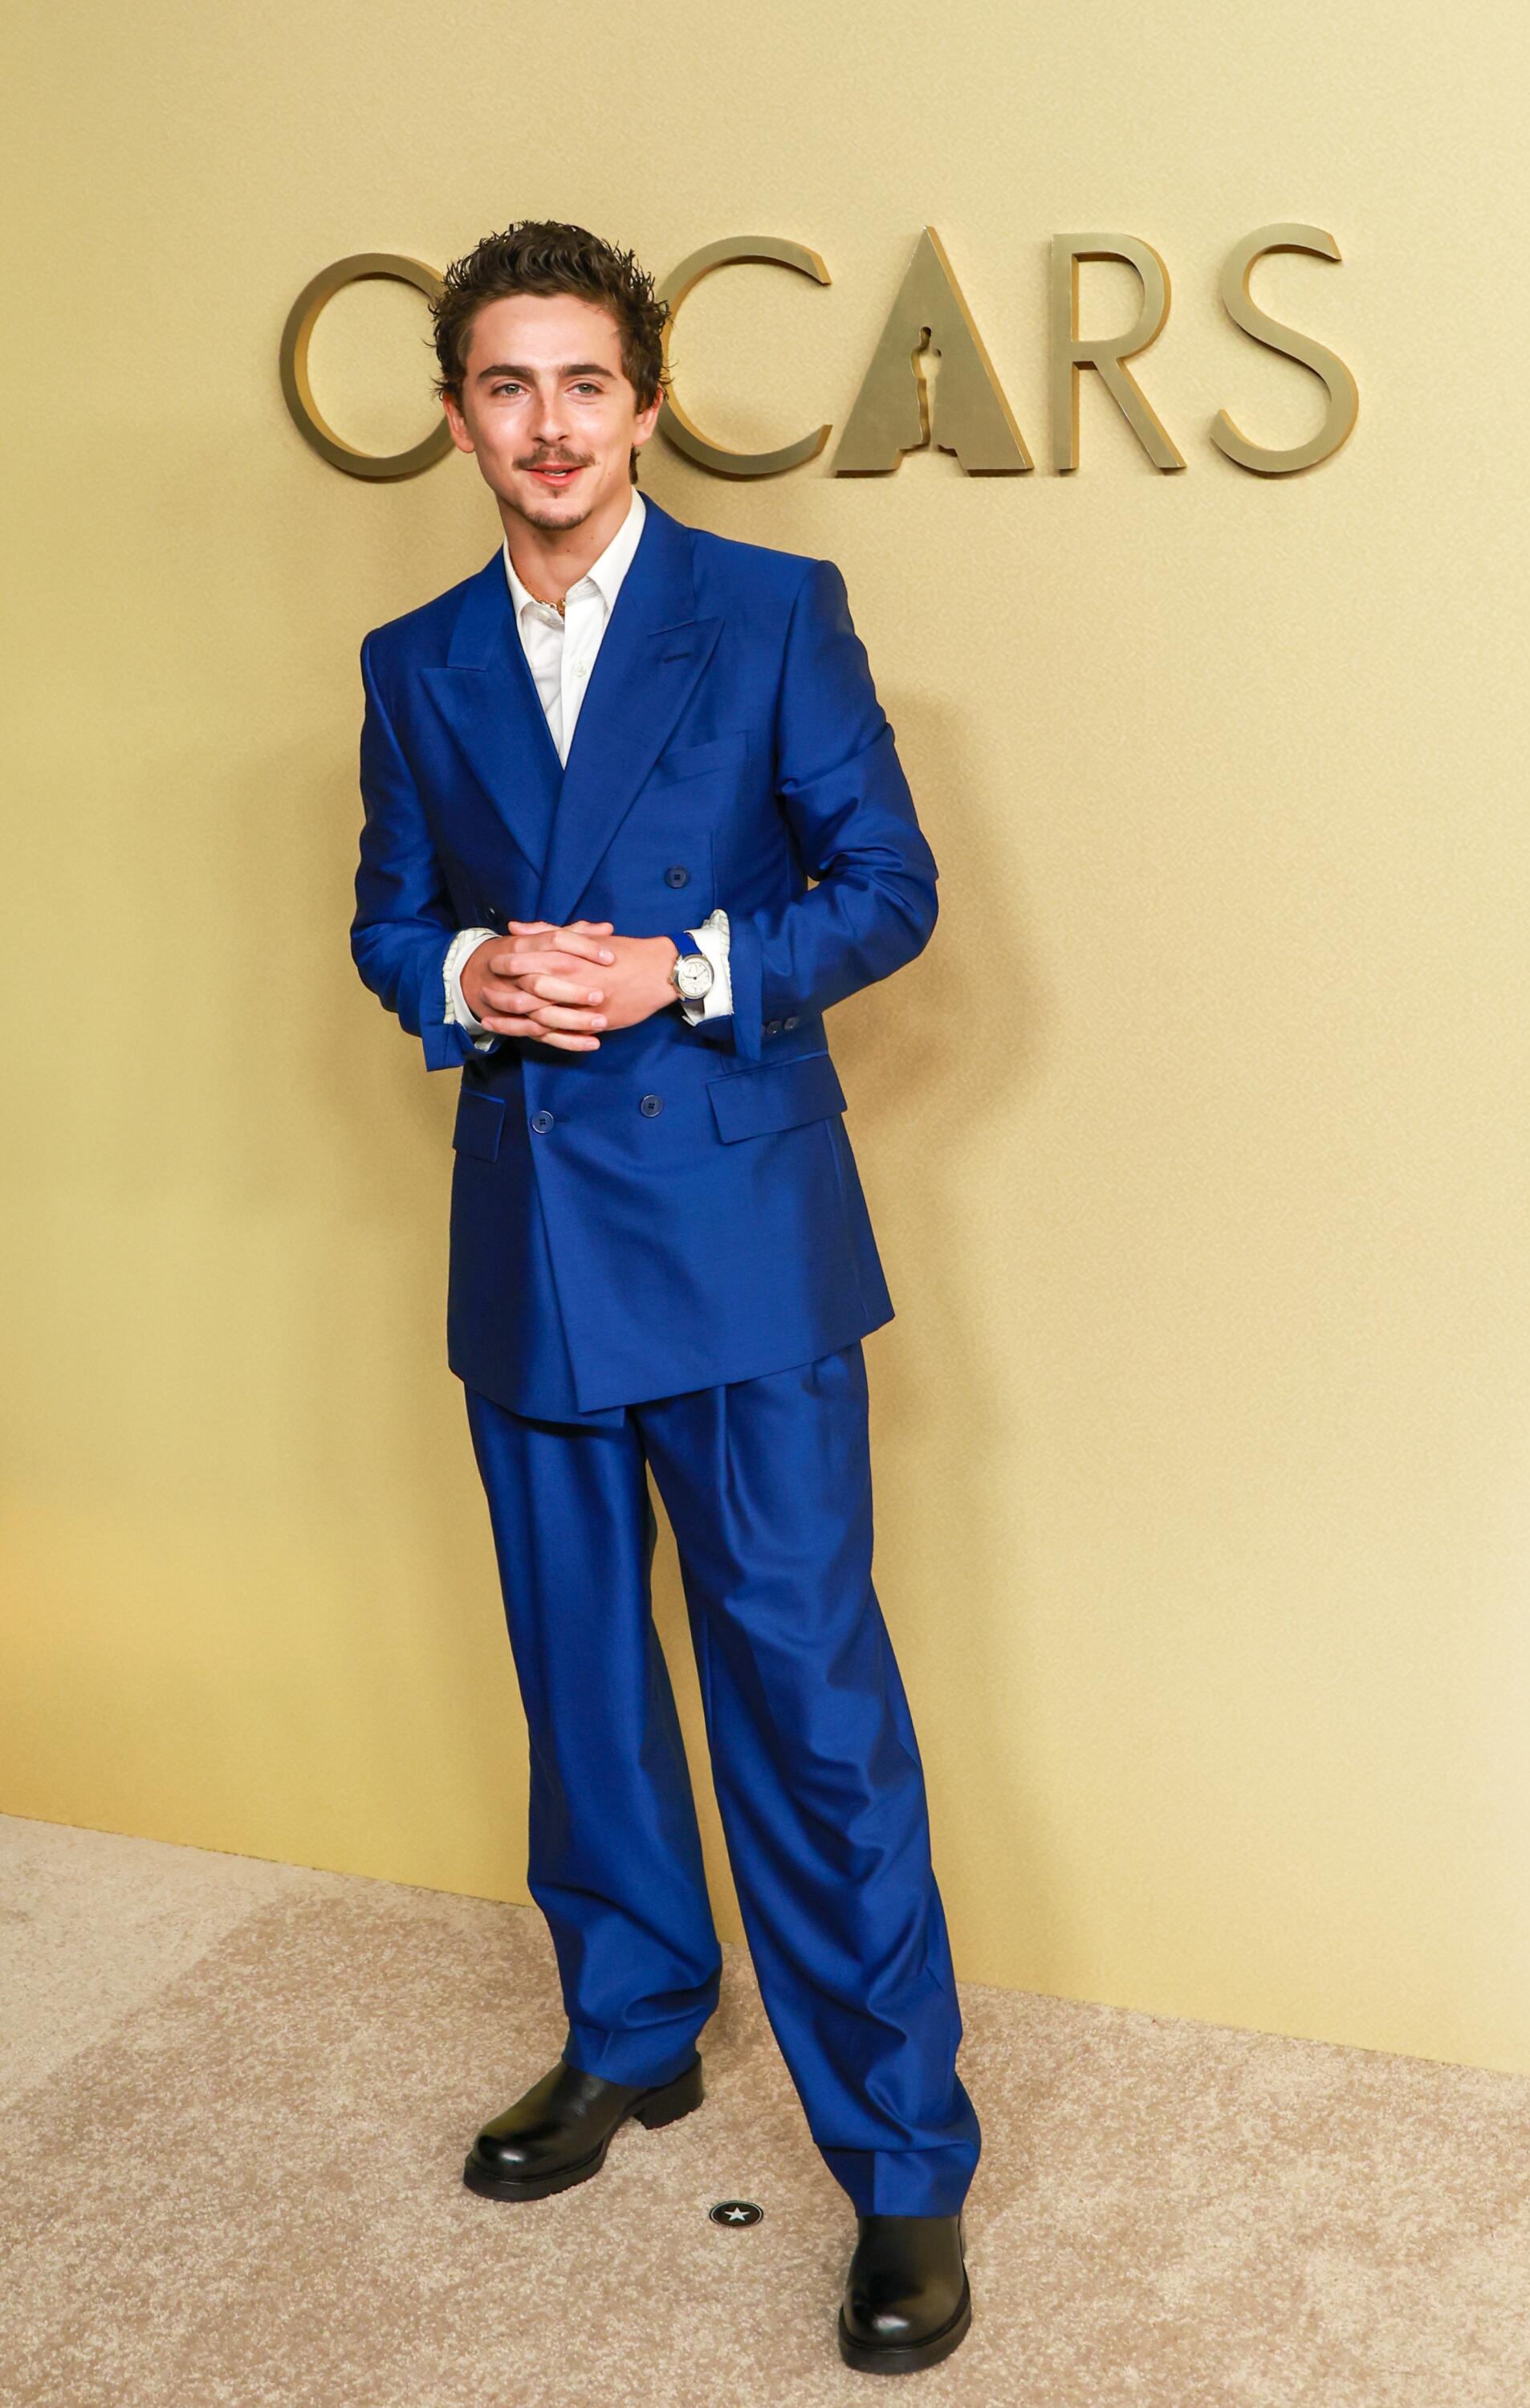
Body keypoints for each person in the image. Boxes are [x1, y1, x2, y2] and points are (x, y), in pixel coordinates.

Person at [350, 219, 979, 2375]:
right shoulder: (409, 653)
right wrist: (461, 974)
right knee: (581, 1689)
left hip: (737, 1244)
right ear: (461, 416)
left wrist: (683, 969)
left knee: (807, 1704)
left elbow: (886, 890)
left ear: (642, 403)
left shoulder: (770, 611)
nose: (548, 424)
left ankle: (905, 2161)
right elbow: (386, 919)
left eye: (583, 385)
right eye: (506, 388)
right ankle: (632, 2033)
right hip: (525, 1239)